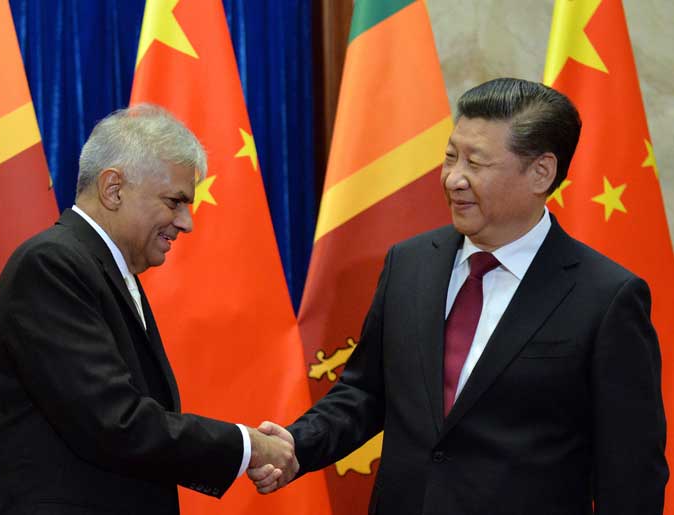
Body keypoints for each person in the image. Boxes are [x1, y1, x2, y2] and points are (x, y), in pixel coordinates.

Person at [249, 78, 668, 514]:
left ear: (541, 172)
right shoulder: (409, 264)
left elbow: (631, 470)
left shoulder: (606, 296)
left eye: (476, 162)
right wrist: (297, 442)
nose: (454, 178)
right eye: (450, 157)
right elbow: (366, 393)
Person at [0, 105, 295, 515]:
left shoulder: (104, 269)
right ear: (113, 188)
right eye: (175, 201)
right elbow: (115, 424)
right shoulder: (51, 265)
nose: (186, 222)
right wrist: (247, 445)